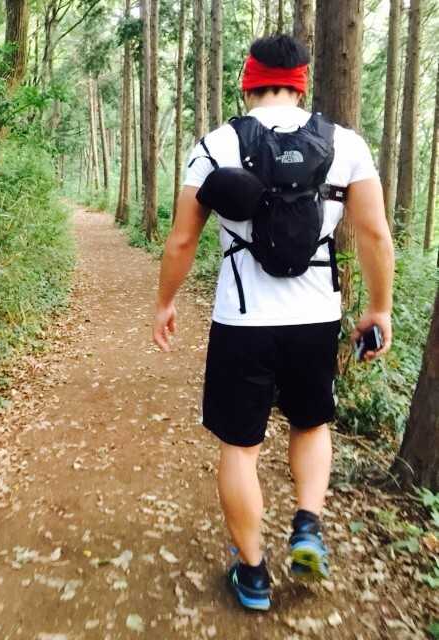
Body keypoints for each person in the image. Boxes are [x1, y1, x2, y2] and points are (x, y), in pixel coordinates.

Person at [150, 34, 394, 611]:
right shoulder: (346, 143)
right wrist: (378, 308)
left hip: (242, 320)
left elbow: (182, 239)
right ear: (301, 81)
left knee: (241, 447)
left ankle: (254, 572)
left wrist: (165, 302)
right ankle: (307, 525)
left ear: (248, 79)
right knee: (310, 425)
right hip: (316, 318)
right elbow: (375, 234)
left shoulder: (216, 144)